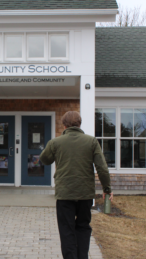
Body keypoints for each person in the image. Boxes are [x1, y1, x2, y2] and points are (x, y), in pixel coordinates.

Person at [40, 111, 113, 259]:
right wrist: (107, 188)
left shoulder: (55, 142)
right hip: (85, 194)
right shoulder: (91, 141)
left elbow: (45, 160)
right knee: (83, 227)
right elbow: (102, 168)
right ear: (79, 124)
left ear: (64, 125)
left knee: (66, 229)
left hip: (65, 193)